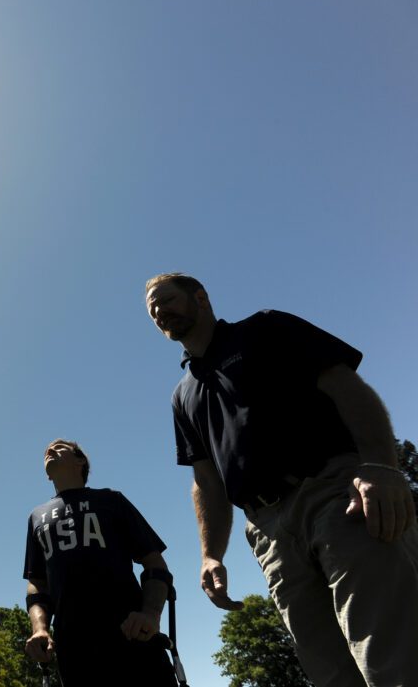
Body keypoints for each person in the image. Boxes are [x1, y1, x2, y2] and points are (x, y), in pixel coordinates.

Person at [145, 272, 418, 687]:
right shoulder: (182, 394)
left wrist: (381, 467)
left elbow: (347, 387)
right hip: (268, 530)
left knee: (387, 646)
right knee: (326, 666)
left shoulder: (266, 328)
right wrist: (210, 555)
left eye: (166, 300)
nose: (160, 311)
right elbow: (206, 480)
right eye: (153, 309)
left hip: (335, 492)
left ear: (200, 297)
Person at [23, 438, 177, 686]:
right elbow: (37, 583)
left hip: (132, 636)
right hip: (74, 651)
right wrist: (40, 628)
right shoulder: (36, 517)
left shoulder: (111, 500)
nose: (49, 450)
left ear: (80, 461)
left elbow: (154, 564)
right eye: (46, 451)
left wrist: (150, 614)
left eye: (60, 447)